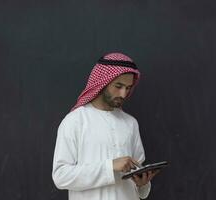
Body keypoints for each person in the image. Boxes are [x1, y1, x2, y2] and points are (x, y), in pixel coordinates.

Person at [52, 52, 159, 200]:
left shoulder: (130, 123)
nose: (123, 94)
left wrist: (142, 184)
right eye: (118, 86)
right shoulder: (75, 121)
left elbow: (136, 176)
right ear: (102, 82)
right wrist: (110, 167)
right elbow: (61, 176)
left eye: (128, 88)